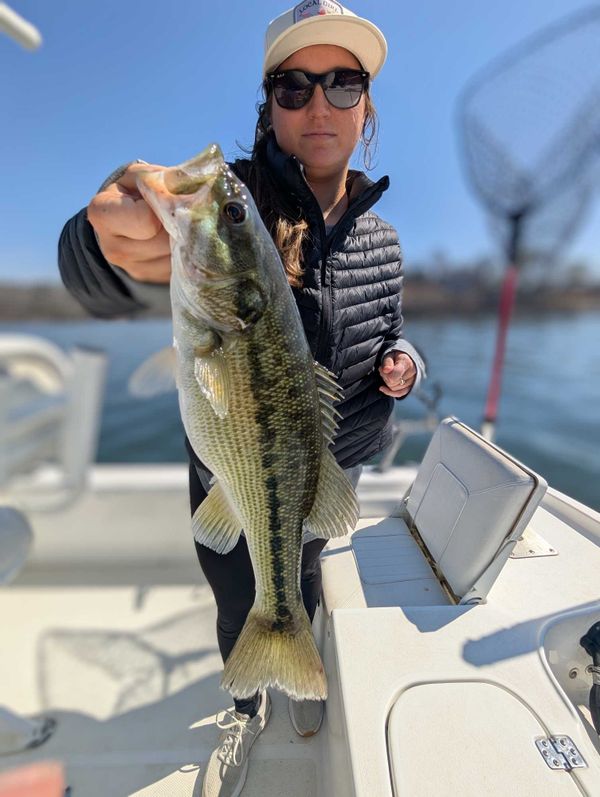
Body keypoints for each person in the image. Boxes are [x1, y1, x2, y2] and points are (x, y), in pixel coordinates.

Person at [58, 3, 426, 795]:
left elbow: (392, 326)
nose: (319, 103)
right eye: (294, 86)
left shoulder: (384, 239)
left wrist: (405, 361)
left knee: (307, 583)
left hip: (334, 472)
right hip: (234, 473)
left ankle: (296, 664)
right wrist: (99, 240)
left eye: (343, 83)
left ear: (366, 107)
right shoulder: (240, 202)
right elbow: (106, 275)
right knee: (240, 595)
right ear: (270, 105)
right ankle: (247, 703)